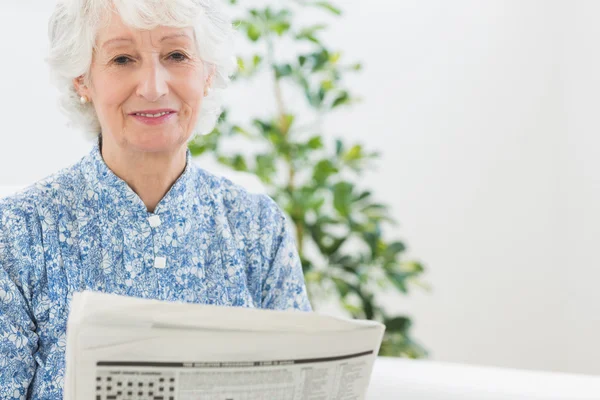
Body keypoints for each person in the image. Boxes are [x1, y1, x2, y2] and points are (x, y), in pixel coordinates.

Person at [0, 0, 312, 398]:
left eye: (177, 55)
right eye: (123, 58)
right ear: (82, 80)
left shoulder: (257, 226)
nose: (152, 86)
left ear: (208, 74)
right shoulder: (16, 233)